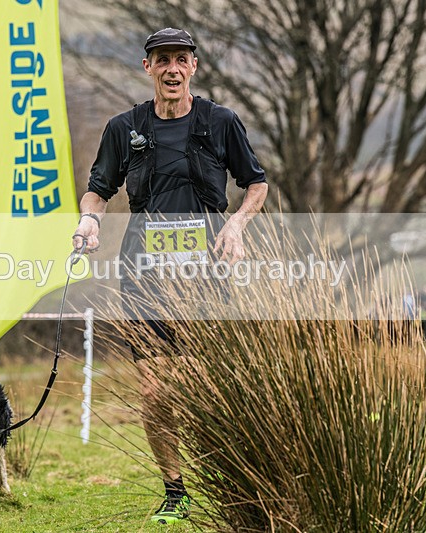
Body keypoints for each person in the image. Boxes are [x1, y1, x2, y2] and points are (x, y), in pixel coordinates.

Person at [71, 28, 268, 524]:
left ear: (194, 67)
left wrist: (238, 226)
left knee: (205, 385)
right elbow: (98, 189)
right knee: (156, 391)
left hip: (209, 277)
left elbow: (256, 184)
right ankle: (175, 489)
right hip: (144, 276)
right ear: (148, 68)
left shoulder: (220, 122)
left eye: (181, 60)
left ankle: (231, 476)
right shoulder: (124, 128)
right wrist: (89, 219)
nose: (172, 69)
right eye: (162, 60)